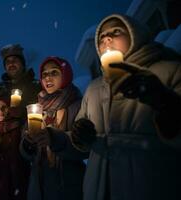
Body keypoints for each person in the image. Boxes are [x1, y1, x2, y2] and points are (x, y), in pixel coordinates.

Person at [71, 14, 181, 200]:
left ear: (135, 35)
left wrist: (164, 102)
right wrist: (81, 135)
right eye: (101, 37)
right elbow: (81, 127)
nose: (106, 38)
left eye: (116, 31)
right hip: (99, 188)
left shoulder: (170, 71)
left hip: (151, 185)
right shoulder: (94, 88)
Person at [20, 57, 88, 200]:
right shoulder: (37, 108)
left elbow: (84, 146)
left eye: (54, 72)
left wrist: (55, 139)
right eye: (44, 74)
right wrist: (28, 145)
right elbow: (25, 149)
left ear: (65, 75)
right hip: (40, 184)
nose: (48, 77)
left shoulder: (78, 105)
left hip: (68, 184)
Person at [0, 44, 41, 109]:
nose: (11, 63)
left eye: (15, 60)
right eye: (7, 61)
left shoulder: (37, 86)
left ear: (22, 64)